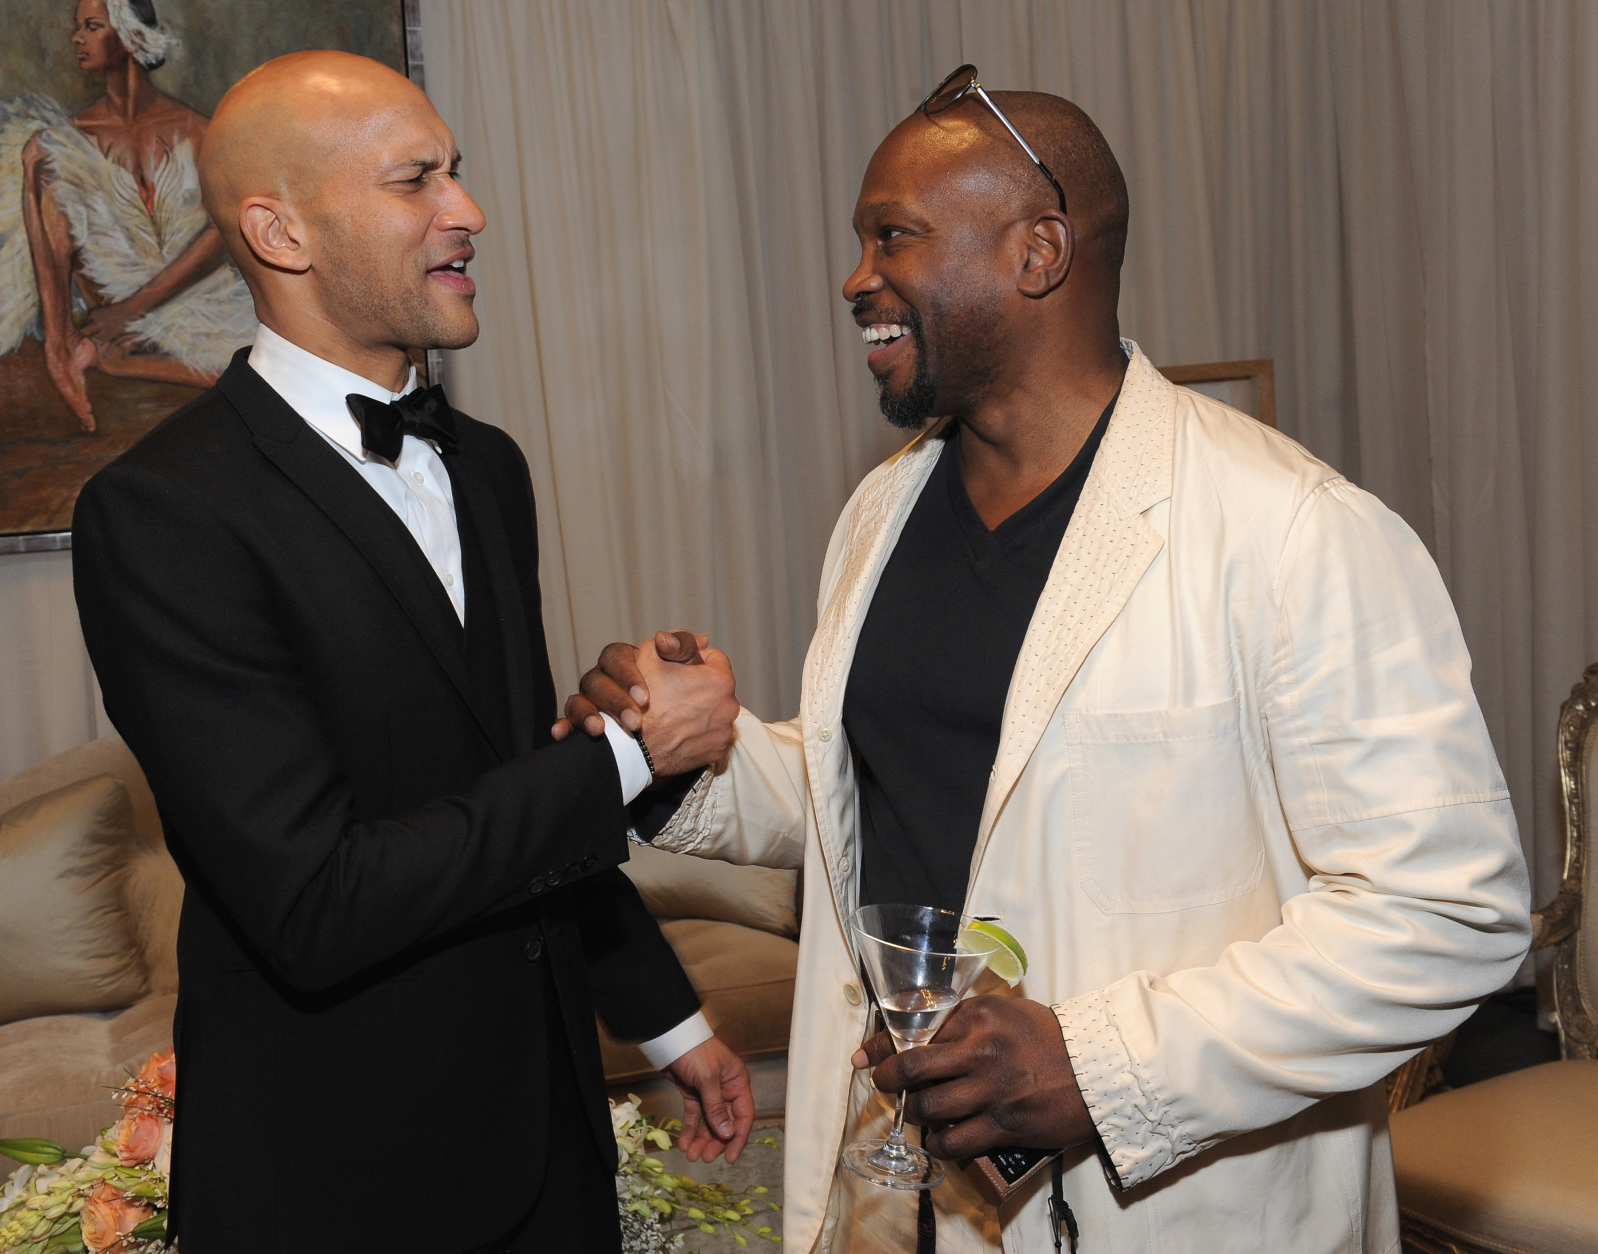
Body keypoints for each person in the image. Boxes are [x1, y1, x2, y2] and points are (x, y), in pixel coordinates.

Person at [563, 77, 1533, 1253]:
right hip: (892, 1192)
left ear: (1038, 252)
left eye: (893, 235)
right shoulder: (882, 512)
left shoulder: (1291, 530)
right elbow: (879, 786)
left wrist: (1101, 1066)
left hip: (1167, 1214)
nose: (856, 278)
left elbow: (1449, 910)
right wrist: (686, 763)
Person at [72, 51, 751, 1254]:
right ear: (281, 232)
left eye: (460, 174)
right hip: (343, 1178)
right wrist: (629, 761)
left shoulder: (487, 466)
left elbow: (502, 781)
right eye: (414, 180)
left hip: (549, 1142)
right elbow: (315, 902)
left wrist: (666, 1022)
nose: (468, 211)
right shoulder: (164, 515)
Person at [0, 0, 255, 432]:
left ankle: (122, 361)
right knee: (43, 155)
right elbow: (53, 245)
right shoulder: (72, 138)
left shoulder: (196, 128)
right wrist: (31, 174)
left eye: (92, 26)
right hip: (116, 298)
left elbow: (224, 231)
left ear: (128, 35)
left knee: (266, 361)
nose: (76, 38)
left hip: (196, 298)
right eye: (77, 27)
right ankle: (62, 349)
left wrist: (132, 311)